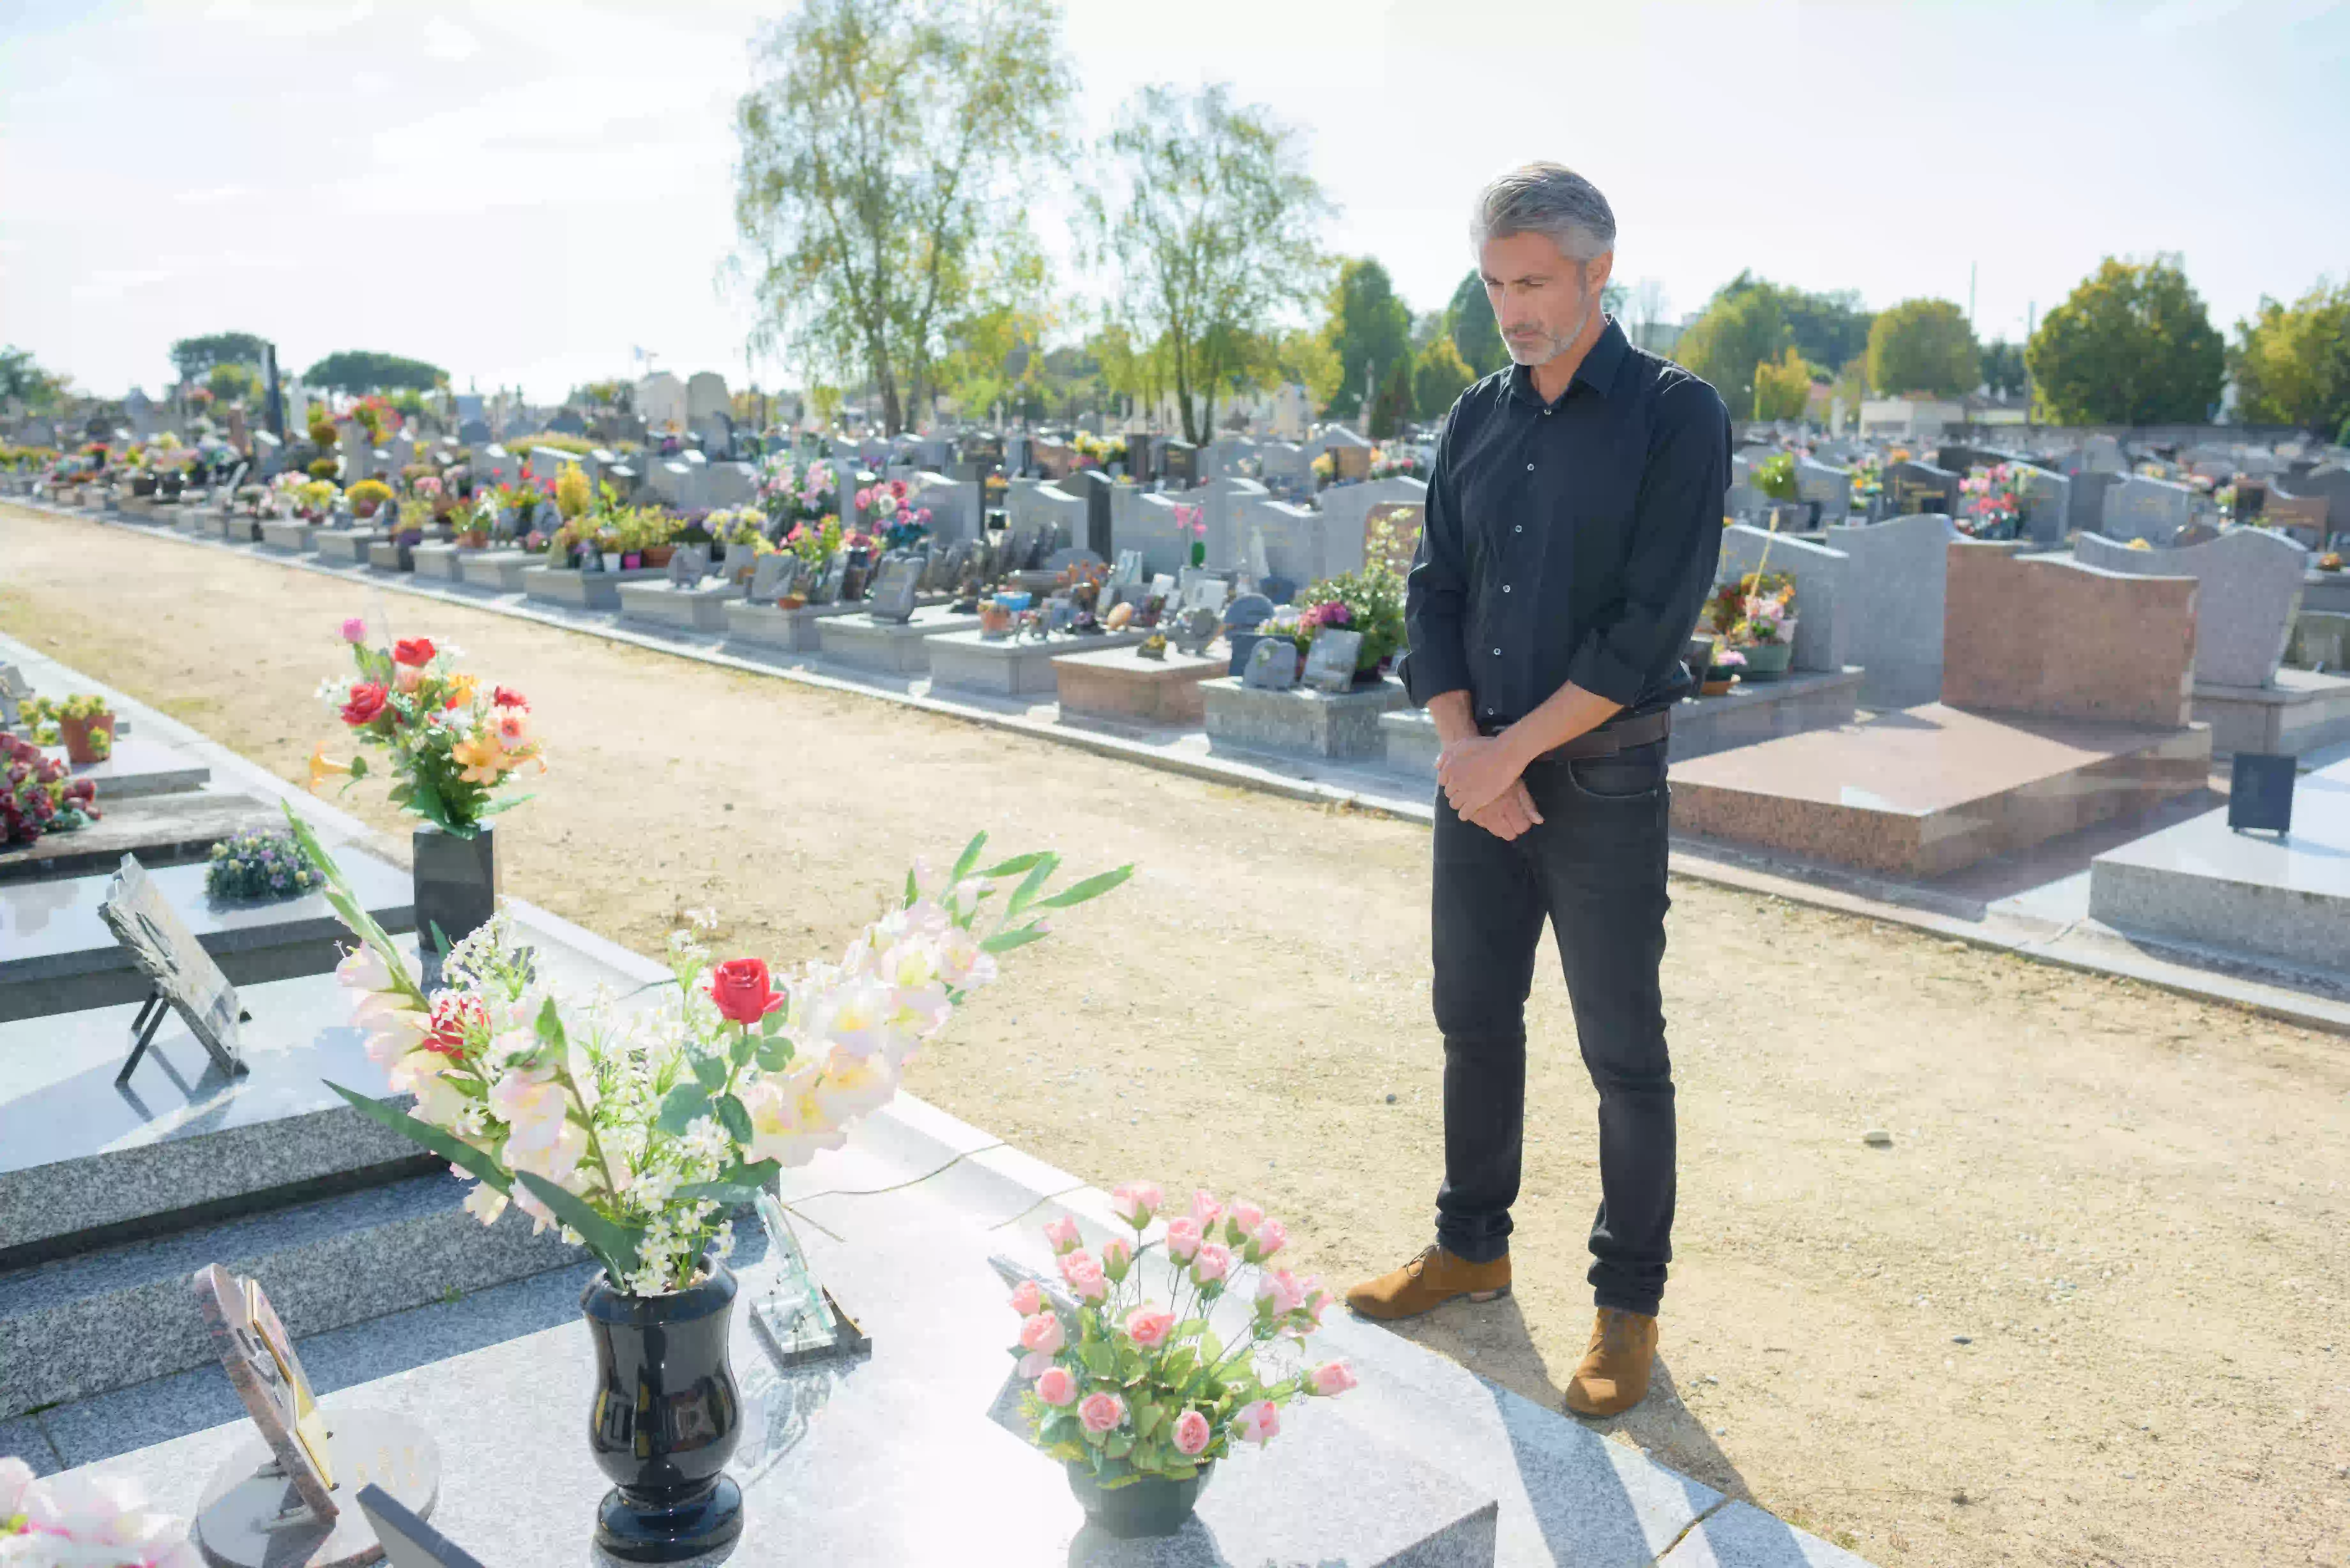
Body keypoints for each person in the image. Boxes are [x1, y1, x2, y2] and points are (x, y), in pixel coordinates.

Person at [1344, 162, 1730, 1420]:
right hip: (1483, 781)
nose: (1511, 309)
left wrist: (1503, 758)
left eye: (1533, 283)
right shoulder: (1475, 415)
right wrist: (1468, 750)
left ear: (1596, 272)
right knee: (1472, 1017)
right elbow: (1433, 596)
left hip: (1600, 784)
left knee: (1624, 1054)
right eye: (1494, 284)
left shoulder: (1676, 415)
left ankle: (1627, 1310)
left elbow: (1643, 629)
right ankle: (1470, 1246)